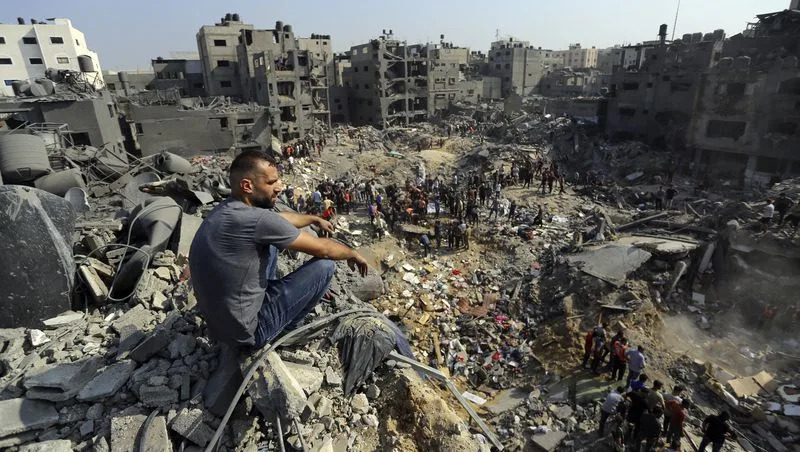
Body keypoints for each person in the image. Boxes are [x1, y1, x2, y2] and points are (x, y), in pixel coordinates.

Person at [189, 151, 369, 350]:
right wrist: (352, 253)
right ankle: (285, 330)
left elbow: (279, 221)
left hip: (222, 326)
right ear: (248, 186)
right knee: (325, 266)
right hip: (249, 334)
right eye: (271, 182)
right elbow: (325, 250)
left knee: (272, 245)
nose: (279, 188)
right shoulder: (256, 220)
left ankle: (272, 307)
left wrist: (314, 219)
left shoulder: (228, 209)